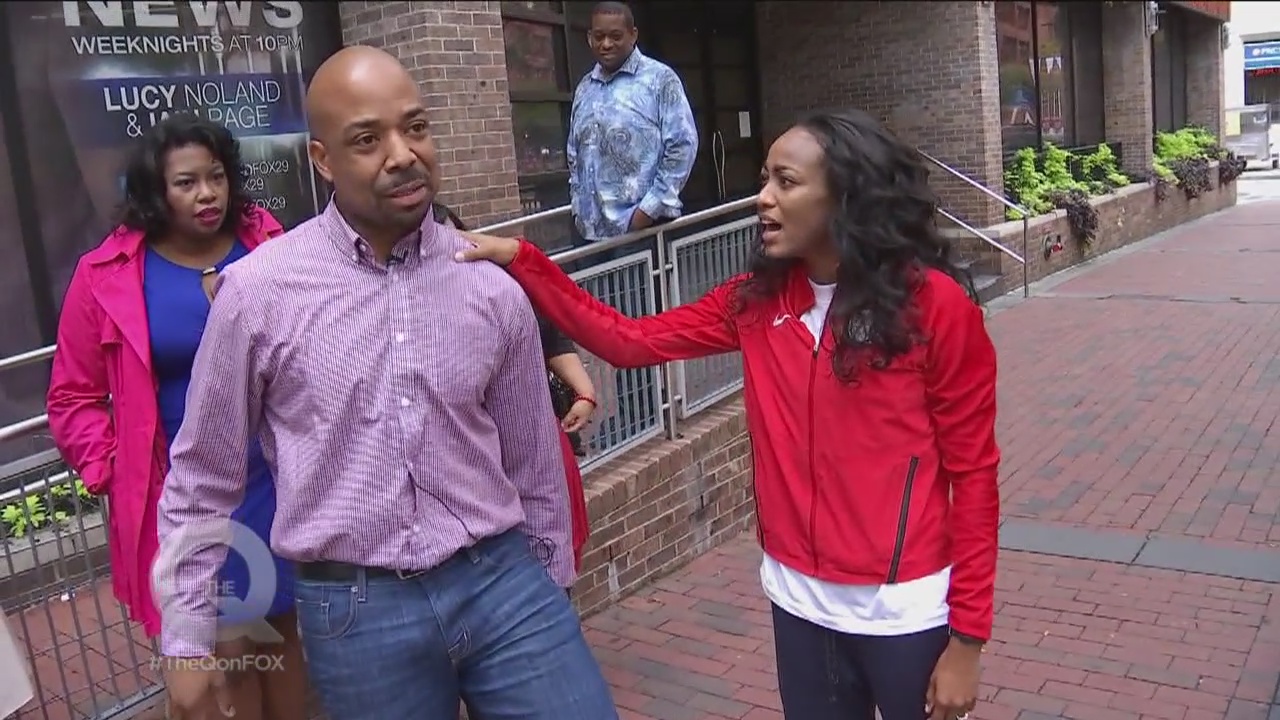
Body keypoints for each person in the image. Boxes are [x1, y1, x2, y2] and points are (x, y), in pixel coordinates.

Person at [456, 108, 1000, 720]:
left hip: (906, 610)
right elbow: (626, 340)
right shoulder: (755, 301)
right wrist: (524, 261)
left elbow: (974, 475)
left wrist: (968, 639)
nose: (762, 199)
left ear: (846, 195)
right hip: (798, 605)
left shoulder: (937, 309)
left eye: (785, 182)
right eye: (764, 179)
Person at [152, 46, 618, 720]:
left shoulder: (490, 290)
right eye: (368, 140)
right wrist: (189, 641)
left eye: (416, 128)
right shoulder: (257, 295)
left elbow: (534, 463)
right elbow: (201, 478)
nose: (402, 154)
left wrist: (549, 587)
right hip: (357, 611)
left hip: (503, 584)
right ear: (322, 160)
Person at [45, 114, 308, 720]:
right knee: (227, 652)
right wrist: (117, 470)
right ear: (155, 191)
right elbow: (71, 397)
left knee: (284, 632)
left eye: (216, 177)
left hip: (275, 477)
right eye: (186, 182)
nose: (207, 194)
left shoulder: (267, 242)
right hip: (183, 493)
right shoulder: (105, 275)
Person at [432, 201, 596, 575]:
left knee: (553, 549)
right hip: (473, 468)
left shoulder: (498, 289)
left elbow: (554, 335)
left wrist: (584, 391)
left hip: (535, 445)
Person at [568, 1, 697, 246]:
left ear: (633, 35)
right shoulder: (585, 87)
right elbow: (574, 153)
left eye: (615, 36)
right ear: (589, 38)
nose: (606, 44)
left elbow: (682, 146)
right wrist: (578, 205)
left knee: (642, 287)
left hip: (640, 231)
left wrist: (647, 211)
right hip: (589, 232)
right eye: (599, 36)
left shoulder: (660, 79)